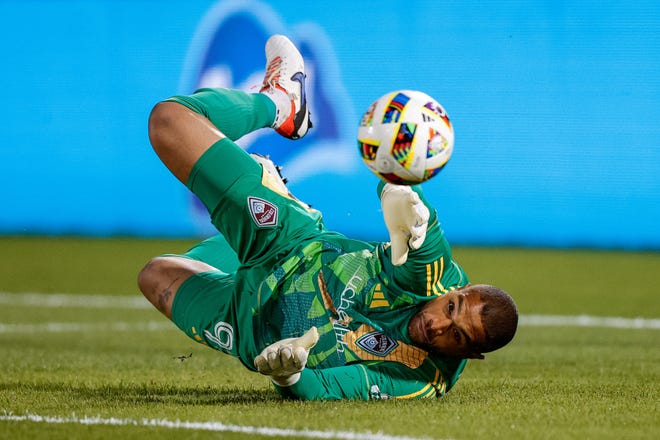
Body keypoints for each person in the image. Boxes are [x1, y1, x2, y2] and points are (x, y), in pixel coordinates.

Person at [138, 34, 518, 400]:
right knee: (170, 120)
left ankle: (251, 220)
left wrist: (290, 375)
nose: (437, 325)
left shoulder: (420, 377)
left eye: (457, 337)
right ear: (456, 293)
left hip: (250, 325)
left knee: (155, 275)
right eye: (451, 309)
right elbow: (424, 239)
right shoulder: (434, 279)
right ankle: (279, 104)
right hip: (286, 244)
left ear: (471, 355)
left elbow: (326, 389)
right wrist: (401, 191)